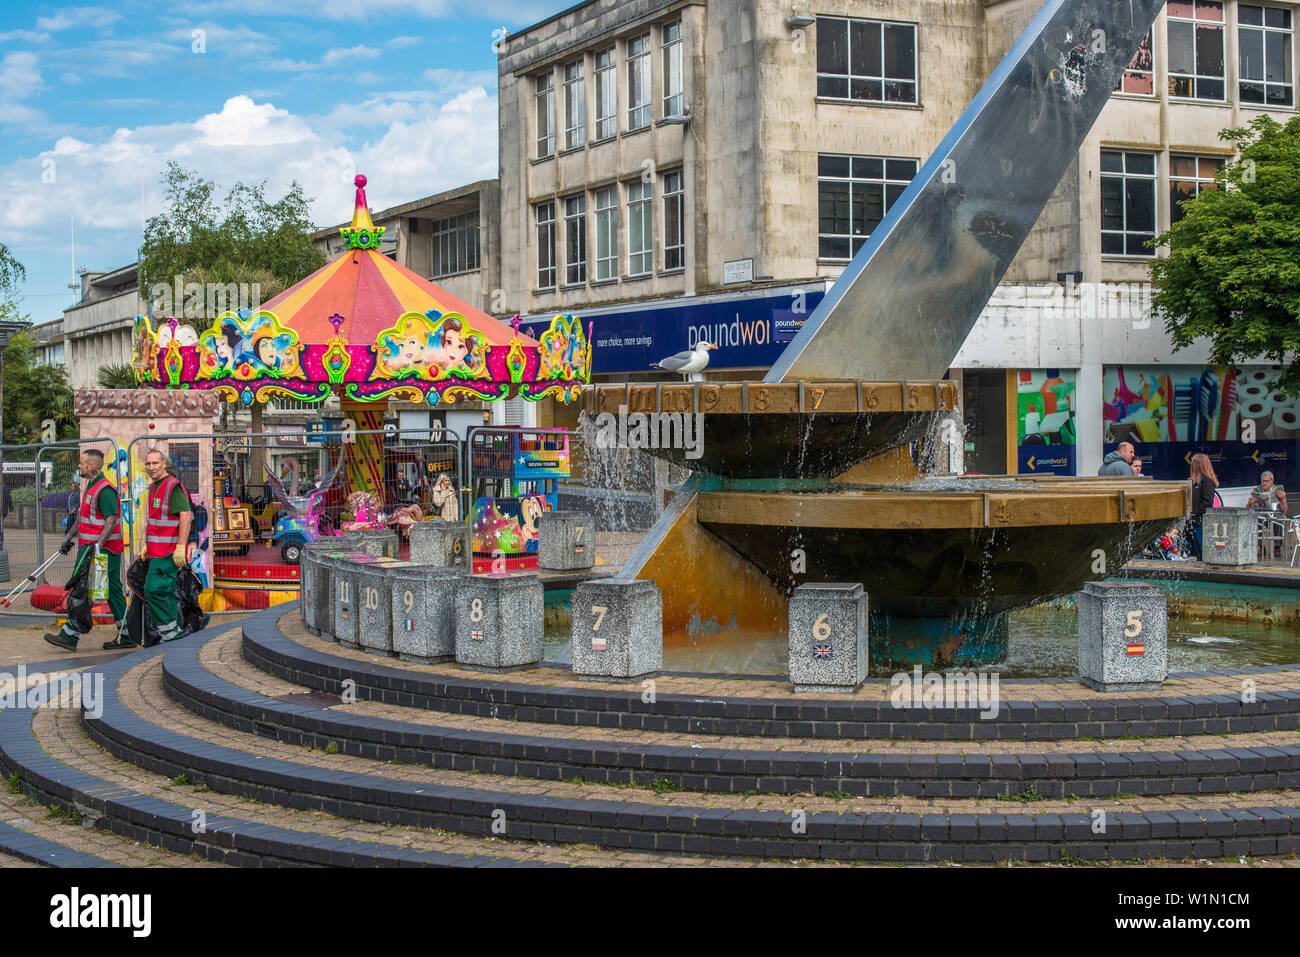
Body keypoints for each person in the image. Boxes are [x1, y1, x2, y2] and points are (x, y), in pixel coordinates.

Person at [43, 450, 126, 651]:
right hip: (92, 549)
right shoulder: (91, 486)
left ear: (92, 467)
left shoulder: (105, 490)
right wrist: (69, 537)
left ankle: (74, 635)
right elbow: (83, 516)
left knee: (101, 589)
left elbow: (110, 520)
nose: (78, 467)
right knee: (92, 590)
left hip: (103, 551)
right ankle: (125, 633)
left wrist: (97, 546)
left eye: (81, 463)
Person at [133, 449, 193, 647]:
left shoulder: (171, 486)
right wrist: (147, 547)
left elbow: (185, 515)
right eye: (148, 464)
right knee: (163, 592)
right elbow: (157, 520)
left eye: (155, 463)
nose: (151, 468)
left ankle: (171, 634)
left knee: (153, 590)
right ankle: (173, 632)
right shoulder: (155, 487)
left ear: (164, 464)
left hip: (168, 551)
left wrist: (180, 547)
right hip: (158, 550)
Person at [1188, 453, 1219, 561]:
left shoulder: (1207, 481)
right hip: (1194, 521)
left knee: (1203, 550)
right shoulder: (1193, 482)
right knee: (1196, 550)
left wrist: (1195, 514)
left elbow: (1208, 502)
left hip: (1201, 522)